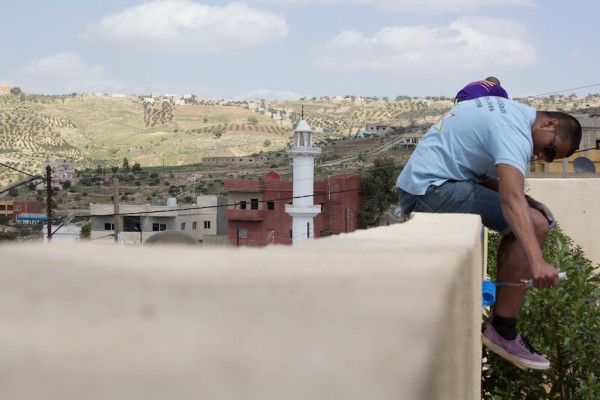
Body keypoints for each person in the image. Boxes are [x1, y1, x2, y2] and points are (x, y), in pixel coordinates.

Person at [396, 96, 581, 370]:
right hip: (430, 191)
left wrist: (531, 203)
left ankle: (501, 324)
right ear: (550, 123)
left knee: (533, 216)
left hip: (425, 186)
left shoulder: (508, 113)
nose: (542, 157)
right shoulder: (514, 132)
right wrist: (537, 263)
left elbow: (475, 172)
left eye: (549, 158)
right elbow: (510, 198)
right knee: (537, 224)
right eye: (550, 150)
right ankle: (504, 329)